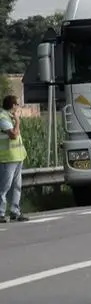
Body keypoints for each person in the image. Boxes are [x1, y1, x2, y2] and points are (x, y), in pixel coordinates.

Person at [0, 95, 29, 223]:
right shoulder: (3, 117)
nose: (18, 107)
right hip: (7, 158)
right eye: (17, 104)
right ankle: (0, 213)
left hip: (17, 157)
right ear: (13, 106)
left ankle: (15, 212)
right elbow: (13, 135)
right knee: (4, 187)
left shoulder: (10, 117)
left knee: (16, 186)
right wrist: (17, 122)